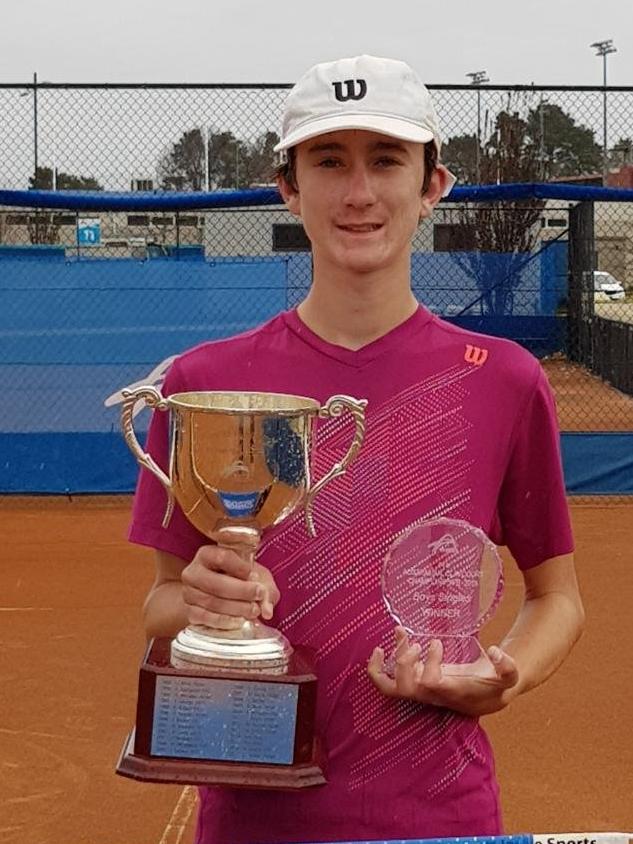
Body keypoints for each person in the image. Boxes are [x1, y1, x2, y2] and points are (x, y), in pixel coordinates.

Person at [129, 55, 585, 843]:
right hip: (251, 815)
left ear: (431, 185)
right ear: (288, 187)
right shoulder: (206, 383)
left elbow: (557, 598)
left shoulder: (505, 380)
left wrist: (498, 679)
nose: (358, 193)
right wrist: (202, 600)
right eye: (328, 161)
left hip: (440, 817)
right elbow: (162, 606)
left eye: (385, 161)